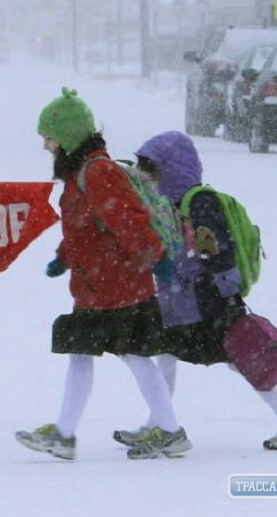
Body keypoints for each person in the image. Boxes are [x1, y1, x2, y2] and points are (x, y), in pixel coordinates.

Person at [14, 88, 192, 460]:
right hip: (97, 283)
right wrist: (64, 257)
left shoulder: (98, 172)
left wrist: (155, 257)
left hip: (118, 284)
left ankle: (170, 431)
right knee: (86, 352)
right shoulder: (81, 173)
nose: (46, 146)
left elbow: (129, 220)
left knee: (133, 355)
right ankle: (65, 434)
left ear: (68, 136)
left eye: (49, 138)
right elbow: (84, 227)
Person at [114, 130, 277, 451]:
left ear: (170, 168)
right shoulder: (173, 202)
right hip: (184, 298)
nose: (146, 175)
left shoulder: (198, 201)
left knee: (240, 358)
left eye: (151, 168)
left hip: (209, 301)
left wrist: (226, 291)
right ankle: (158, 425)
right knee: (168, 352)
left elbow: (213, 248)